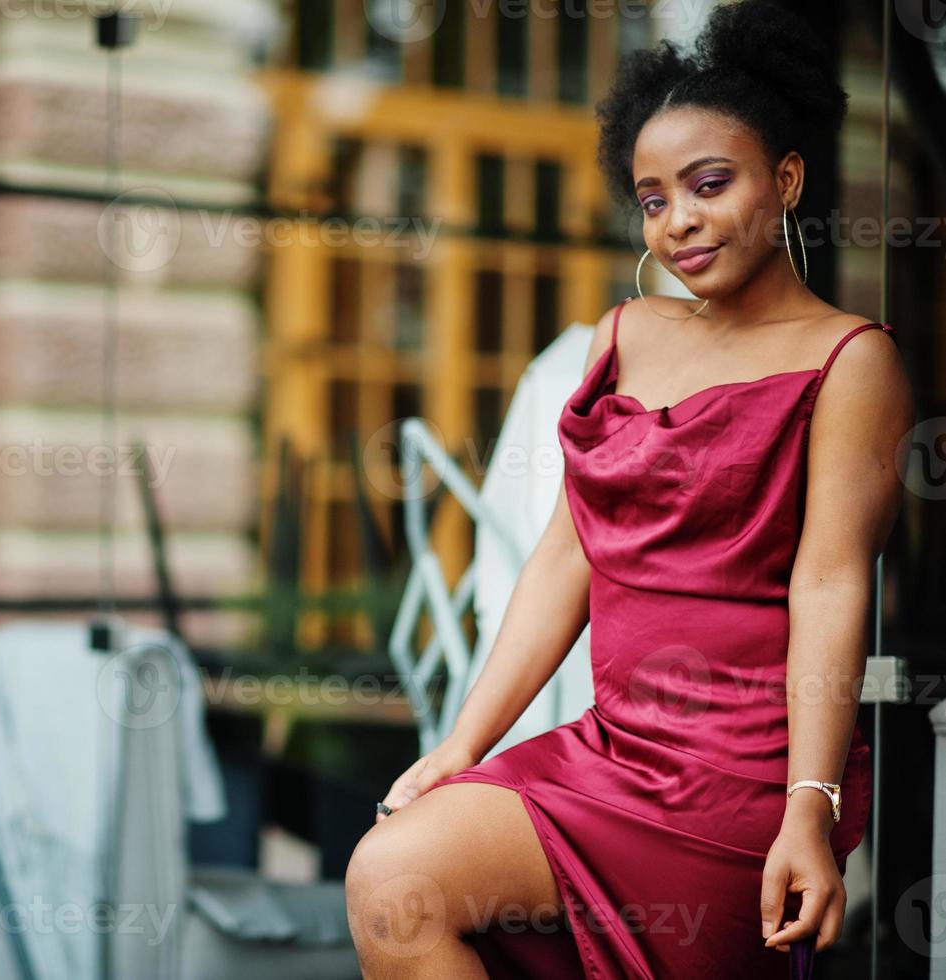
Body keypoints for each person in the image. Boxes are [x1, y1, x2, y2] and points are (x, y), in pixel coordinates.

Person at [344, 1, 915, 977]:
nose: (680, 219)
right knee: (395, 881)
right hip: (603, 751)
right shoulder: (622, 335)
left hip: (737, 783)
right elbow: (565, 556)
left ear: (784, 179)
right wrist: (461, 745)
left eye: (708, 183)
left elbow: (829, 588)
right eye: (653, 198)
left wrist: (807, 808)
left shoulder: (851, 359)